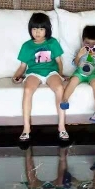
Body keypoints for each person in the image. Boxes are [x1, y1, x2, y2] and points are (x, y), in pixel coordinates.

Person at [12, 12, 68, 142]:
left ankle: (62, 127)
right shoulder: (27, 46)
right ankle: (26, 128)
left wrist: (60, 75)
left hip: (51, 72)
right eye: (34, 29)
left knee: (60, 88)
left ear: (47, 30)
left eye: (41, 29)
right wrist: (16, 76)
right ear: (30, 29)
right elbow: (22, 66)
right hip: (34, 73)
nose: (37, 32)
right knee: (27, 90)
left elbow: (59, 62)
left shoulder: (52, 42)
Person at [59, 25, 95, 123]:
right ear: (82, 41)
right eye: (87, 43)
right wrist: (79, 56)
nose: (90, 46)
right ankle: (65, 100)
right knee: (73, 80)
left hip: (94, 73)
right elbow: (76, 64)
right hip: (80, 72)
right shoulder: (80, 51)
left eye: (94, 44)